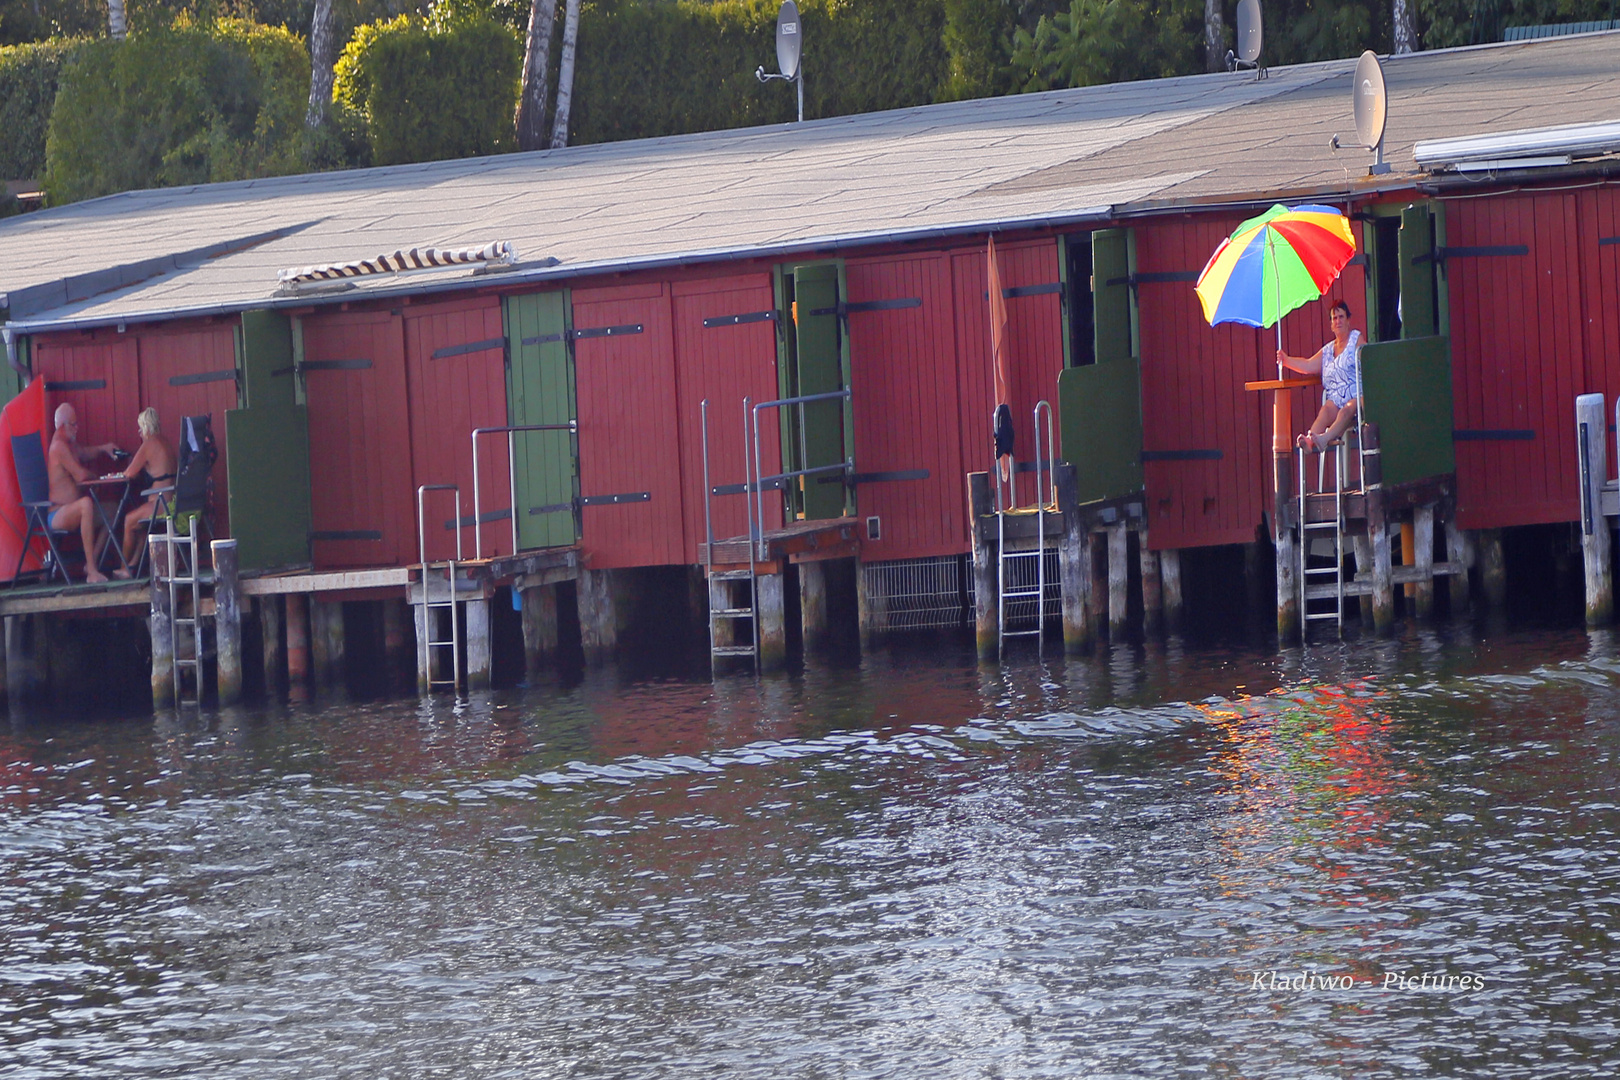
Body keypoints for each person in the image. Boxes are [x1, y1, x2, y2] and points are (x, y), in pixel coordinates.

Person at [46, 402, 122, 583]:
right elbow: (80, 475)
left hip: (72, 509)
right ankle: (92, 573)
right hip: (57, 513)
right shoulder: (58, 447)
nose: (77, 428)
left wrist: (104, 448)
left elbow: (86, 453)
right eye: (74, 424)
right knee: (86, 504)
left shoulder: (70, 444)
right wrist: (95, 476)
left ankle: (92, 561)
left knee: (113, 510)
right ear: (63, 426)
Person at [1277, 300, 1362, 452]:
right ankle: (1310, 440)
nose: (1338, 321)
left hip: (1356, 395)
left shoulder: (1356, 339)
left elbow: (1369, 361)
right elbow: (1308, 365)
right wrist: (1286, 360)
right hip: (1334, 398)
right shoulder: (1328, 350)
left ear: (1348, 320)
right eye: (1334, 318)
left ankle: (1324, 438)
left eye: (1341, 317)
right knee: (1325, 411)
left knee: (1345, 411)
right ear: (1331, 324)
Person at [119, 407, 178, 569]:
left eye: (140, 428)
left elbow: (129, 473)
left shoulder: (149, 444)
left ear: (145, 427)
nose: (139, 432)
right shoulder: (165, 442)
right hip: (171, 500)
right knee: (142, 523)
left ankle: (123, 567)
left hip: (160, 503)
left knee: (129, 520)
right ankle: (133, 564)